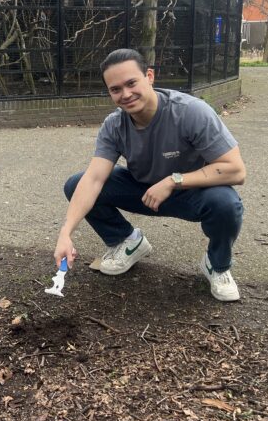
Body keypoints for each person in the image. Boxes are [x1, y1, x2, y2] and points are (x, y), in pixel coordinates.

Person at [53, 48, 246, 301]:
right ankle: (127, 242)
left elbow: (236, 169)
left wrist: (174, 180)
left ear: (150, 77)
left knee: (226, 204)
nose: (126, 94)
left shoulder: (191, 112)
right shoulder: (114, 125)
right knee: (77, 184)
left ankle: (217, 265)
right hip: (144, 192)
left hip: (192, 193)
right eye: (115, 89)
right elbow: (94, 179)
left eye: (131, 83)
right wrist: (65, 233)